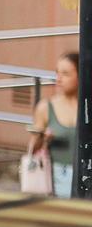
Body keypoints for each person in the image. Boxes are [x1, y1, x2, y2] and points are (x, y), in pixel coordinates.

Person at [27, 51, 80, 196]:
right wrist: (43, 138)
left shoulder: (86, 107)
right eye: (57, 73)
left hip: (85, 177)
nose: (59, 79)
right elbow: (32, 149)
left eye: (66, 74)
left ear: (80, 76)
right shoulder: (45, 107)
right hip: (54, 178)